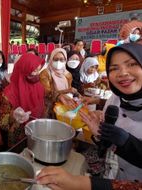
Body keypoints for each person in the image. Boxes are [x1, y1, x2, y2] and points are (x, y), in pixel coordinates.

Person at [37, 43, 142, 190]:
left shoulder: (67, 74)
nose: (123, 73)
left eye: (132, 64)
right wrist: (102, 137)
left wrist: (78, 183)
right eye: (114, 68)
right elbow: (109, 146)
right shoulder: (115, 99)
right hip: (115, 171)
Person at [0, 53, 45, 148]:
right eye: (34, 71)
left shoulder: (39, 86)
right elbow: (2, 122)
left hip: (37, 133)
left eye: (38, 71)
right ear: (23, 71)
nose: (36, 75)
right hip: (18, 139)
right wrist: (13, 115)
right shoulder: (9, 93)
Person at [39, 48, 77, 118]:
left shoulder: (68, 74)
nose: (58, 62)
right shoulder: (45, 73)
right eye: (55, 59)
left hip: (64, 105)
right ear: (51, 60)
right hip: (50, 108)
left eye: (62, 59)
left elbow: (69, 90)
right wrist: (66, 91)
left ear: (65, 60)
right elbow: (46, 92)